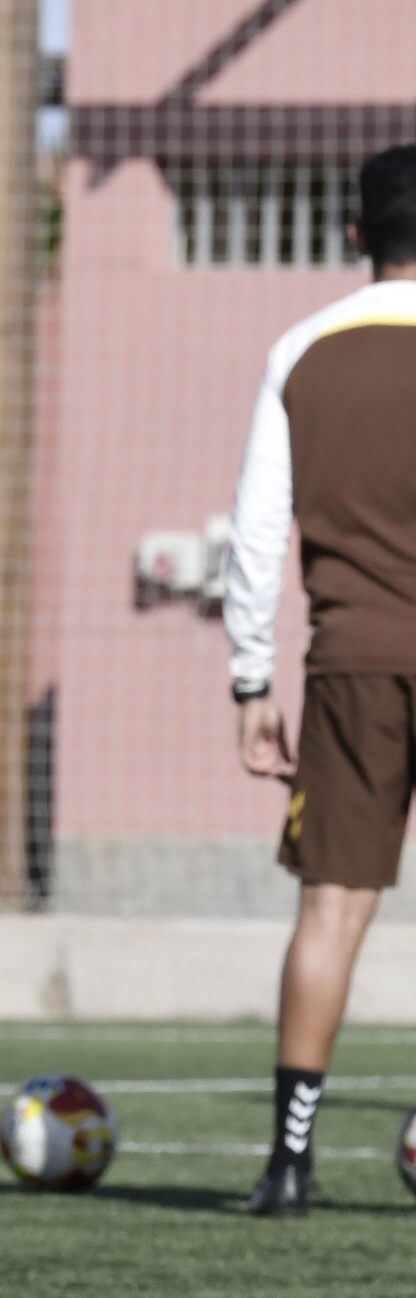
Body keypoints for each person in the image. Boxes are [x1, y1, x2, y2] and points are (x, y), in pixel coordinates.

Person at [224, 142, 416, 1216]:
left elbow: (257, 535)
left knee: (331, 910)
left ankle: (287, 1166)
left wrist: (250, 684)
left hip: (351, 663)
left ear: (354, 234)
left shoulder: (301, 348)